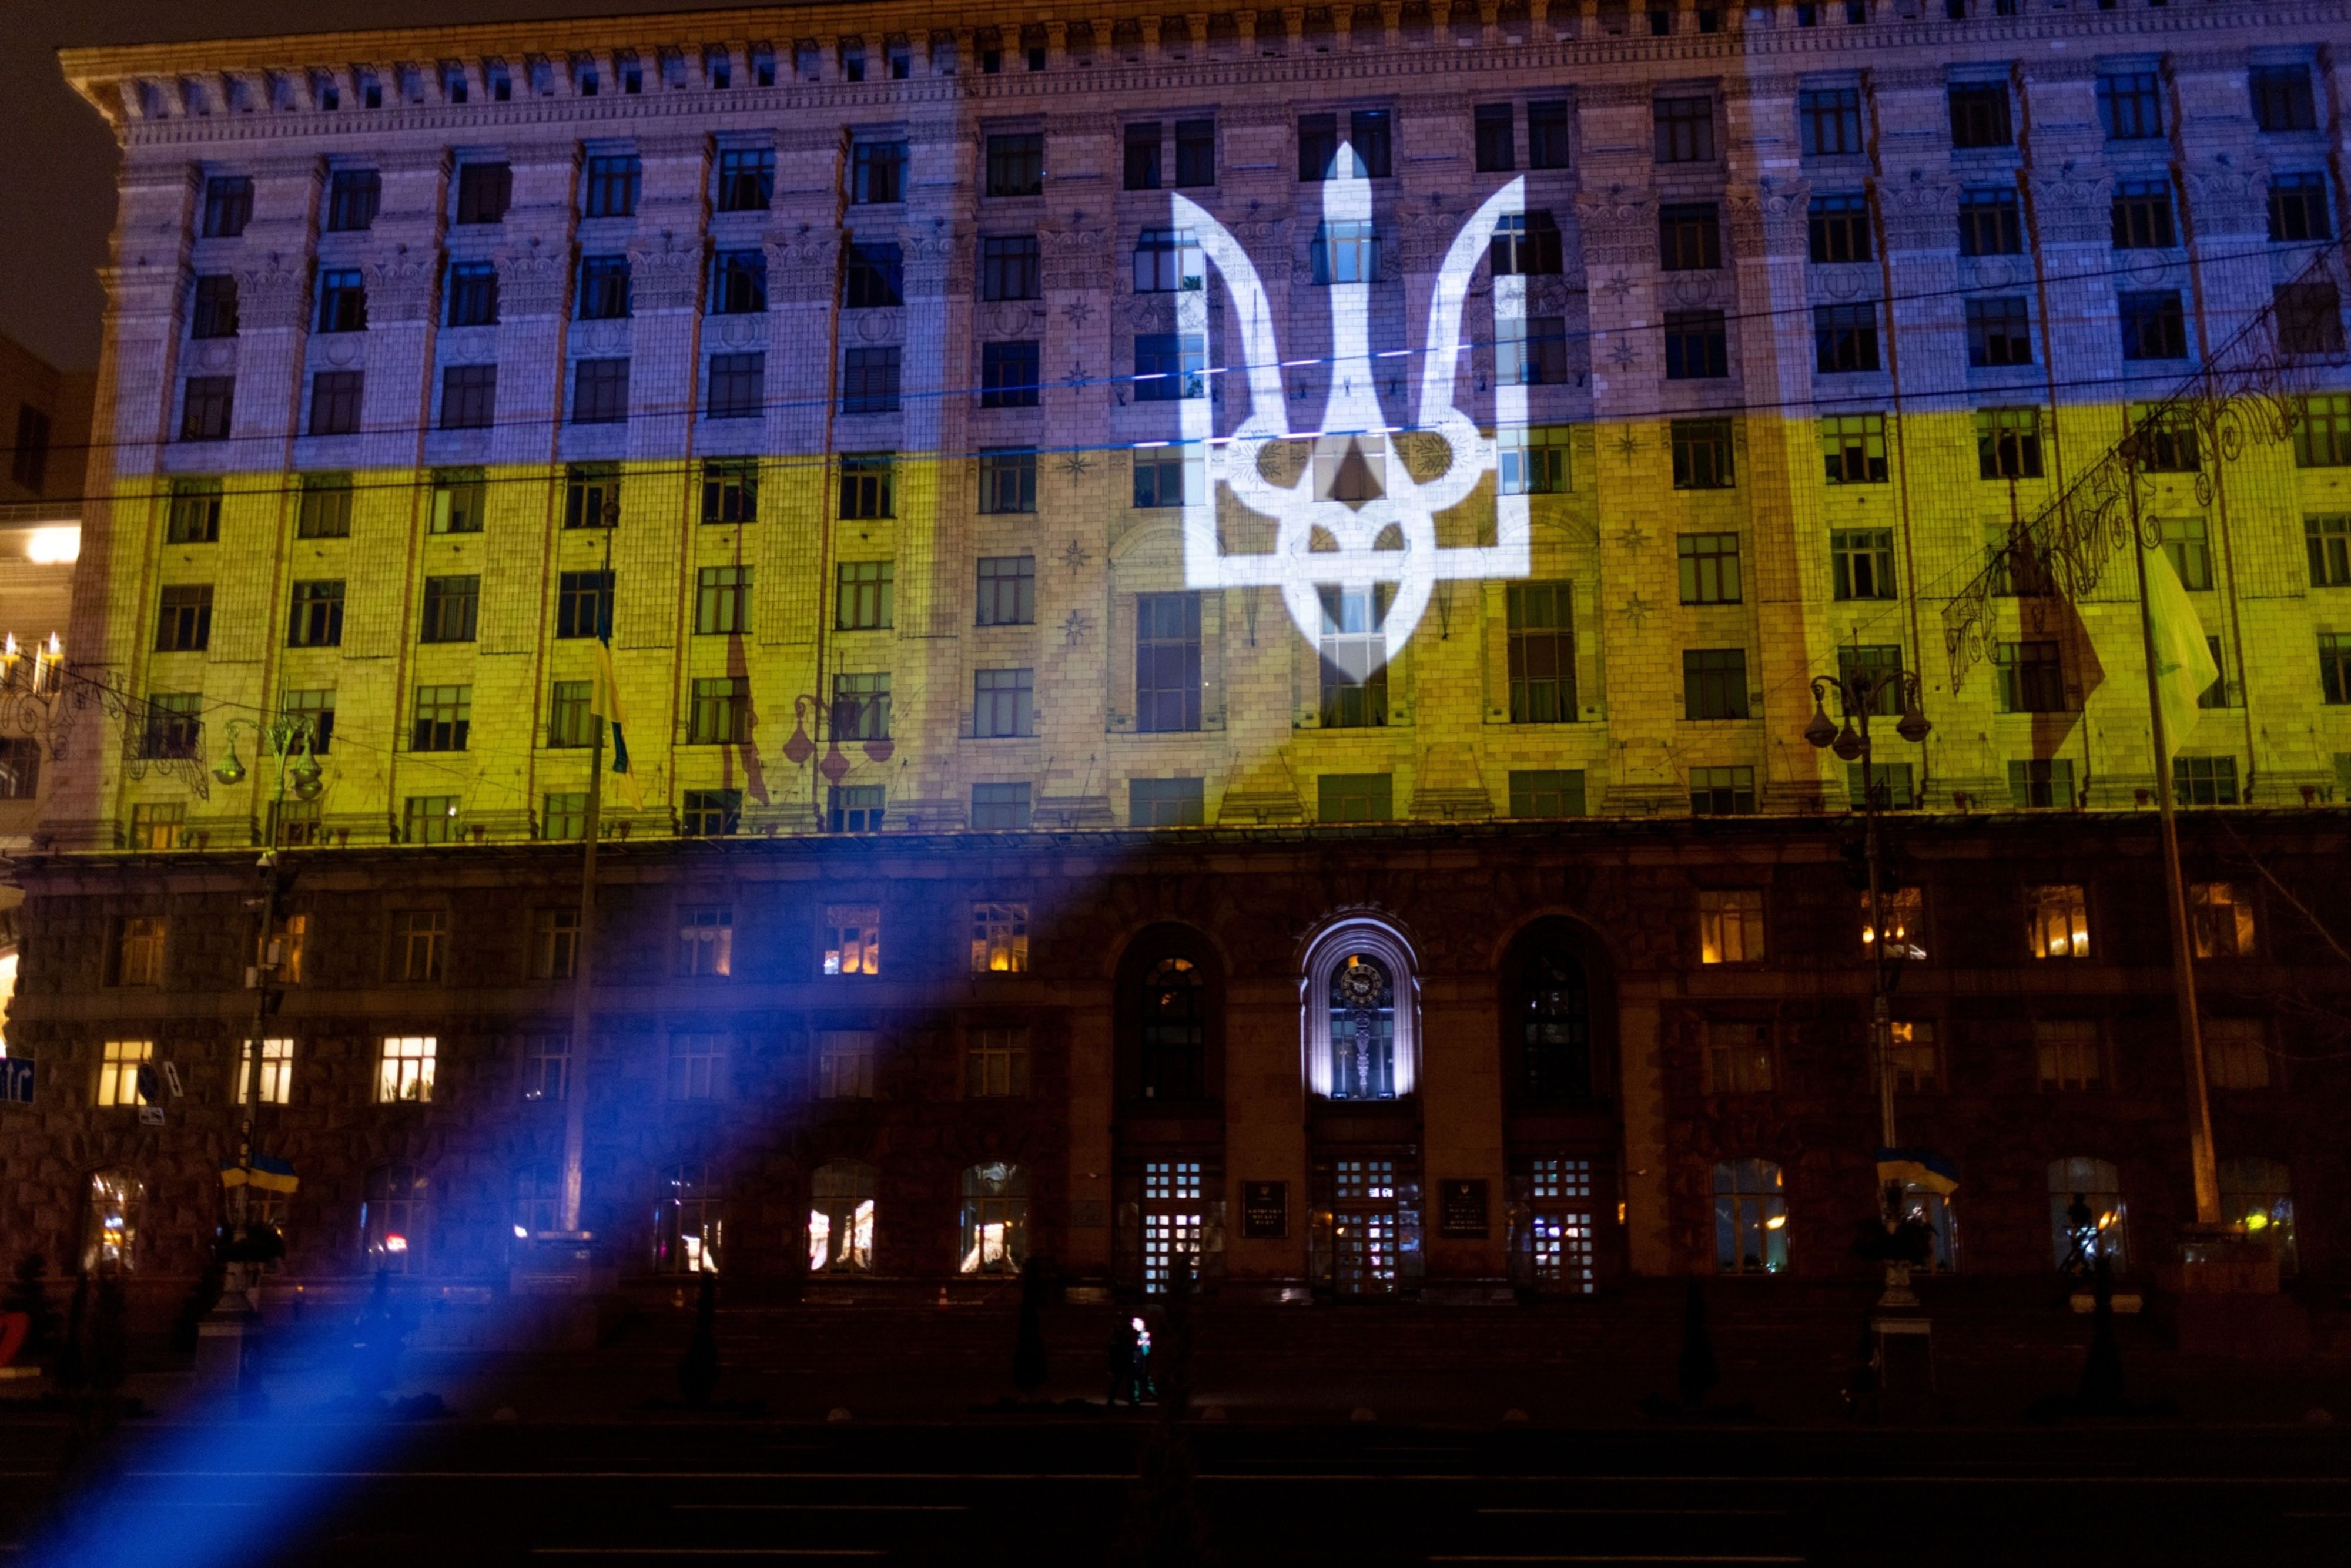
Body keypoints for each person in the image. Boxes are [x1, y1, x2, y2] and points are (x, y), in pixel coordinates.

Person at [1106, 1314, 1137, 1408]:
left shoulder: (1122, 1332)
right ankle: (1129, 1402)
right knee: (1125, 1381)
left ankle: (1129, 1401)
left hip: (1123, 1359)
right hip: (1123, 1359)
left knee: (1125, 1381)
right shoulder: (1122, 1333)